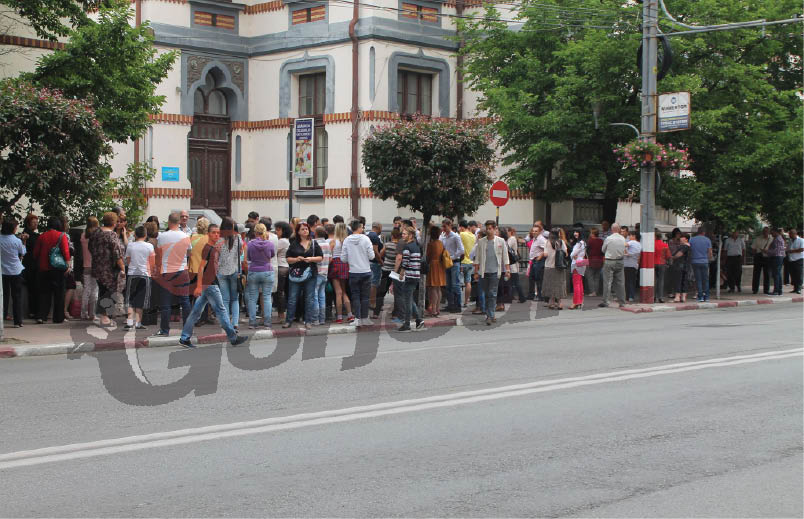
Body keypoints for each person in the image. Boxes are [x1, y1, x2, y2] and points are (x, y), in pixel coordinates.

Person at [178, 224, 247, 348]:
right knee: (221, 310)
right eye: (213, 232)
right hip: (210, 285)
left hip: (208, 284)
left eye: (217, 232)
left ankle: (185, 337)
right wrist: (199, 286)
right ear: (208, 234)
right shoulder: (208, 248)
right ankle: (233, 337)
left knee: (196, 312)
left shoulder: (213, 248)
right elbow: (201, 267)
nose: (216, 235)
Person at [154, 212, 192, 336]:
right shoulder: (185, 236)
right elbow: (189, 253)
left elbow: (158, 256)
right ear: (179, 222)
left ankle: (165, 330)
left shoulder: (162, 237)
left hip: (167, 271)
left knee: (166, 303)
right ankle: (187, 328)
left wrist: (158, 269)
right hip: (182, 270)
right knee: (185, 301)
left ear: (169, 222)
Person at [87, 212, 125, 326]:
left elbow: (90, 247)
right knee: (110, 291)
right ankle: (104, 317)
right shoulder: (111, 235)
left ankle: (103, 316)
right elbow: (117, 253)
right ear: (113, 222)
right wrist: (123, 267)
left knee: (102, 291)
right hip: (109, 269)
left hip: (97, 267)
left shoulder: (96, 233)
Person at [32, 216, 72, 324]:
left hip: (43, 268)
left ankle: (41, 316)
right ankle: (58, 317)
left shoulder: (42, 236)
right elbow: (65, 251)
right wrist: (68, 265)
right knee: (59, 294)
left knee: (44, 293)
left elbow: (35, 253)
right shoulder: (61, 235)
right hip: (58, 269)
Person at [284, 222, 322, 329]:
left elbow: (320, 257)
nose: (305, 231)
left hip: (310, 274)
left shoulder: (314, 243)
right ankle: (289, 320)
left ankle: (308, 321)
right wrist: (296, 259)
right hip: (296, 274)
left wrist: (311, 259)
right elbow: (288, 259)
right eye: (302, 229)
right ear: (298, 232)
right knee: (292, 298)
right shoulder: (294, 244)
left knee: (309, 298)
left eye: (306, 229)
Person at [472, 220, 510, 324]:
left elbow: (505, 257)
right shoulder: (481, 242)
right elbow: (477, 258)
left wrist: (507, 270)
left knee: (492, 293)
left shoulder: (500, 241)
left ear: (494, 229)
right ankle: (490, 314)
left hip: (495, 272)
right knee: (487, 294)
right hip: (484, 272)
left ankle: (490, 315)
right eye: (487, 229)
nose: (489, 231)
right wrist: (476, 272)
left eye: (490, 229)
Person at [341, 219, 375, 326]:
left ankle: (357, 318)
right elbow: (372, 256)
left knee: (355, 295)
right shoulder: (366, 239)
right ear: (359, 228)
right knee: (365, 296)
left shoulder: (347, 240)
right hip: (365, 271)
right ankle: (365, 318)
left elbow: (343, 258)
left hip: (353, 272)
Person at [124, 226, 155, 330]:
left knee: (130, 299)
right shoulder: (149, 246)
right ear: (145, 235)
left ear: (135, 235)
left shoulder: (130, 246)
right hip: (145, 275)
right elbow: (152, 262)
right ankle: (138, 323)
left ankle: (129, 322)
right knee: (141, 300)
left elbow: (128, 260)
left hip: (132, 274)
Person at [394, 225, 424, 332]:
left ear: (410, 235)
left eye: (405, 234)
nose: (403, 235)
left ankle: (407, 323)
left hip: (409, 275)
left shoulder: (407, 247)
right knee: (409, 299)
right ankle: (419, 320)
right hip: (415, 275)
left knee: (407, 301)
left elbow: (405, 263)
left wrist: (401, 274)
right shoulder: (416, 245)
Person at [215, 217, 244, 330]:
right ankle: (235, 322)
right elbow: (241, 251)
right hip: (235, 271)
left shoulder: (218, 239)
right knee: (235, 299)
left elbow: (216, 257)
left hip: (221, 271)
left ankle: (226, 323)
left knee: (225, 299)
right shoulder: (238, 238)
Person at [245, 222, 275, 329]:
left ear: (255, 232)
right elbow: (272, 255)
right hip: (267, 270)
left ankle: (252, 322)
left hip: (254, 271)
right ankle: (267, 322)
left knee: (253, 298)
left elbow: (248, 257)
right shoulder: (270, 244)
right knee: (267, 297)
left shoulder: (250, 244)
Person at [0, 218, 26, 327]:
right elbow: (23, 251)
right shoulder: (16, 240)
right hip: (16, 270)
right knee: (17, 296)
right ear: (13, 229)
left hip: (3, 270)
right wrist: (24, 240)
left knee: (4, 296)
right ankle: (17, 321)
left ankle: (3, 316)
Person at [328, 222, 353, 323]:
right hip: (345, 265)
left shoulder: (333, 241)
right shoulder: (347, 241)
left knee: (338, 292)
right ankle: (350, 314)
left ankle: (339, 317)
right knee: (344, 291)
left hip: (335, 265)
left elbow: (329, 256)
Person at [375, 227, 401, 321]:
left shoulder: (387, 244)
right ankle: (395, 314)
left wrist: (383, 262)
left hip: (385, 270)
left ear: (392, 235)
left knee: (381, 291)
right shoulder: (400, 246)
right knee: (397, 293)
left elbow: (380, 254)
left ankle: (376, 312)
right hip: (395, 271)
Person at [440, 218, 464, 313]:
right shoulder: (443, 236)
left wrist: (452, 257)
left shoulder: (455, 236)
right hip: (446, 263)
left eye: (445, 226)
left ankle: (458, 305)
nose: (443, 228)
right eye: (442, 226)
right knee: (448, 285)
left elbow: (461, 250)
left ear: (450, 226)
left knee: (455, 284)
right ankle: (450, 305)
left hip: (454, 262)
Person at [599, 223, 626, 308]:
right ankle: (622, 302)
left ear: (611, 229)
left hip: (609, 261)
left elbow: (603, 250)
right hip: (620, 261)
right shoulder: (623, 238)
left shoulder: (608, 238)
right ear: (619, 229)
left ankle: (606, 301)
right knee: (620, 282)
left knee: (608, 282)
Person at [20, 214, 40, 319]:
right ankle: (33, 310)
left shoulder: (30, 234)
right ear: (28, 223)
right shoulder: (28, 235)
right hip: (30, 264)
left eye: (37, 222)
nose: (36, 224)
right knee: (33, 288)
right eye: (33, 222)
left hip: (30, 263)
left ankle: (32, 310)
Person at [542, 228, 568, 310]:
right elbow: (566, 253)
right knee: (559, 284)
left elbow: (545, 254)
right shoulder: (561, 242)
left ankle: (551, 302)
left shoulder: (547, 242)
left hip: (549, 266)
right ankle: (559, 303)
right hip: (559, 266)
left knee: (550, 284)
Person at [426, 225, 446, 317]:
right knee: (438, 288)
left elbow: (428, 256)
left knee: (433, 288)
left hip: (433, 266)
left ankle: (433, 309)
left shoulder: (431, 244)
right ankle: (437, 308)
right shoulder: (441, 243)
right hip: (440, 266)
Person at [273, 221, 292, 323]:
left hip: (281, 267)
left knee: (279, 292)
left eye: (278, 230)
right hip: (285, 267)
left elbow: (273, 251)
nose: (276, 232)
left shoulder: (282, 241)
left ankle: (281, 314)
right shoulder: (285, 240)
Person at [689, 228, 713, 302]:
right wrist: (708, 259)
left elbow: (690, 250)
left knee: (698, 280)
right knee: (705, 280)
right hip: (704, 261)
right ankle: (707, 296)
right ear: (704, 232)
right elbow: (710, 252)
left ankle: (700, 297)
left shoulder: (692, 240)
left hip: (695, 261)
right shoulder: (707, 240)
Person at [313, 226, 331, 325]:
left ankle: (315, 319)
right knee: (322, 296)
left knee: (315, 296)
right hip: (325, 273)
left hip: (317, 273)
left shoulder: (314, 243)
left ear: (315, 233)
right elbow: (330, 259)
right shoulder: (327, 244)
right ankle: (322, 319)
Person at [528, 222, 548, 301]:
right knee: (532, 278)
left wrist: (540, 256)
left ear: (539, 232)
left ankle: (540, 295)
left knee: (538, 278)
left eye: (536, 231)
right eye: (533, 231)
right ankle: (531, 295)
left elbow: (546, 248)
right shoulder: (535, 239)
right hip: (534, 260)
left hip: (538, 261)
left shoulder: (541, 239)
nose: (534, 232)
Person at [459, 221, 477, 307]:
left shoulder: (461, 234)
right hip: (470, 262)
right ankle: (466, 301)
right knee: (468, 282)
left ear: (462, 227)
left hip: (462, 262)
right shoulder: (474, 236)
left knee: (459, 283)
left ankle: (459, 301)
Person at [507, 227, 527, 303]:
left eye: (507, 232)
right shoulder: (511, 238)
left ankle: (522, 297)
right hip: (512, 264)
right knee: (513, 282)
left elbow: (507, 247)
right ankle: (512, 296)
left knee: (515, 281)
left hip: (513, 264)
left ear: (510, 232)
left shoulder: (511, 238)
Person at [750, 227, 772, 295]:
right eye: (764, 231)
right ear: (762, 232)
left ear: (769, 232)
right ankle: (755, 289)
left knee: (767, 274)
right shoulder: (757, 239)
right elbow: (753, 248)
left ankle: (766, 290)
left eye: (766, 231)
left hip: (767, 257)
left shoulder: (772, 239)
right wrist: (755, 255)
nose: (765, 233)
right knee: (756, 274)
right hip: (758, 257)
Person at [367, 222, 384, 311]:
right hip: (374, 263)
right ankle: (372, 303)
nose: (381, 230)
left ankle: (371, 302)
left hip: (369, 263)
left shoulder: (368, 235)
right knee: (374, 283)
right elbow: (375, 251)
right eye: (381, 228)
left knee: (371, 283)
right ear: (378, 227)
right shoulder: (374, 237)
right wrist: (381, 261)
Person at [569, 231, 586, 309]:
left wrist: (571, 255)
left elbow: (573, 254)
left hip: (576, 263)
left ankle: (576, 302)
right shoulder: (584, 243)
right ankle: (580, 301)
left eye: (577, 232)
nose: (575, 233)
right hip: (582, 262)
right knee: (580, 282)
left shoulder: (579, 243)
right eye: (574, 231)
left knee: (576, 283)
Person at [671, 234, 691, 302]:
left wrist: (673, 257)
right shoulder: (689, 246)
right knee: (684, 281)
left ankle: (677, 297)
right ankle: (683, 297)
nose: (680, 239)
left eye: (682, 237)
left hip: (680, 265)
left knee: (678, 281)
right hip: (686, 266)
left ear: (686, 239)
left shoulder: (684, 246)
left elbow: (679, 254)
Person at [623, 231, 642, 302]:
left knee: (627, 282)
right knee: (632, 281)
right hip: (634, 265)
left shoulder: (632, 242)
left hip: (627, 265)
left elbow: (624, 244)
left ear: (634, 236)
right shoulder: (639, 245)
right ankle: (632, 296)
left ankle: (627, 297)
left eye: (629, 236)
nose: (628, 237)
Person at [767, 228, 786, 296]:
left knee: (776, 274)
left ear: (775, 232)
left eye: (772, 233)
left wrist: (767, 251)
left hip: (777, 257)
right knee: (778, 274)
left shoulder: (778, 239)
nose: (771, 234)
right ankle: (779, 290)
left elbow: (776, 251)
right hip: (779, 257)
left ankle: (776, 290)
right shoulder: (778, 238)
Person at [586, 228, 604, 297]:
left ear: (593, 234)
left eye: (591, 233)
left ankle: (592, 291)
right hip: (599, 260)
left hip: (592, 260)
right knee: (597, 277)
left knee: (590, 276)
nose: (590, 234)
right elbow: (603, 251)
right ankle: (596, 291)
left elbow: (587, 250)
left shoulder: (590, 241)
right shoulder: (601, 241)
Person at [654, 231, 670, 303]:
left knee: (654, 280)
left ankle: (653, 296)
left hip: (653, 264)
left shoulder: (652, 244)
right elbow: (668, 256)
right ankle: (660, 297)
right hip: (662, 263)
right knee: (661, 280)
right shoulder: (665, 245)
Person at [787, 228, 803, 294]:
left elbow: (802, 249)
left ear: (795, 234)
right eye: (789, 234)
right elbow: (788, 248)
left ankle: (799, 288)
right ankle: (795, 288)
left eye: (790, 234)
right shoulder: (790, 241)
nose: (789, 235)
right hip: (791, 260)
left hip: (798, 260)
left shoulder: (801, 240)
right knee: (793, 275)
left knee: (798, 274)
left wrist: (792, 251)